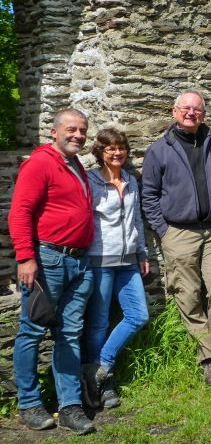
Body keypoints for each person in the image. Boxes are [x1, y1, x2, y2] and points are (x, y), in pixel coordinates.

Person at [141, 91, 211, 385]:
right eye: (186, 108)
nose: (191, 113)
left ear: (204, 114)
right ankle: (207, 358)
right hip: (179, 233)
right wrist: (164, 231)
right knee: (189, 294)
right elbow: (149, 195)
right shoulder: (159, 150)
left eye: (197, 109)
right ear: (174, 112)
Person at [9, 109, 96, 434]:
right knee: (31, 331)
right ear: (54, 131)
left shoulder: (74, 165)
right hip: (48, 261)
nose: (78, 135)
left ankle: (70, 406)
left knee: (70, 333)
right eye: (71, 129)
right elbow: (20, 212)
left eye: (82, 130)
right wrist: (25, 258)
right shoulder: (41, 163)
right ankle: (30, 404)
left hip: (79, 262)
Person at [83, 128, 150, 411]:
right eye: (110, 148)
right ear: (100, 151)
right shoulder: (90, 180)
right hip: (99, 259)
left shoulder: (131, 180)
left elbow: (136, 219)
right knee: (98, 323)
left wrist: (141, 252)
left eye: (121, 147)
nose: (116, 152)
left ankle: (99, 367)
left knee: (138, 315)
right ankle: (105, 386)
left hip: (128, 261)